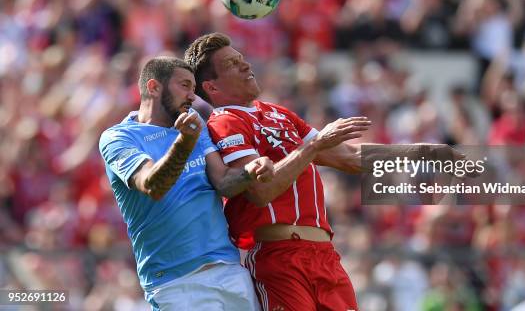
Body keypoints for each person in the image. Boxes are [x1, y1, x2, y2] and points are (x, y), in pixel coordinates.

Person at [184, 32, 463, 311]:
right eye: (232, 64)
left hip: (325, 255)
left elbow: (349, 157)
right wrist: (314, 146)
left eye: (242, 59)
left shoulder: (278, 113)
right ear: (212, 87)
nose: (246, 66)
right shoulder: (224, 122)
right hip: (280, 257)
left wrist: (421, 154)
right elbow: (260, 191)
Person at [99, 56, 276, 310]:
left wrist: (250, 172)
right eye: (184, 86)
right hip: (176, 282)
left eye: (194, 88)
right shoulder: (119, 137)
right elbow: (153, 185)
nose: (193, 96)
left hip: (228, 268)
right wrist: (185, 142)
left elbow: (223, 180)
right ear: (154, 87)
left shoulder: (193, 122)